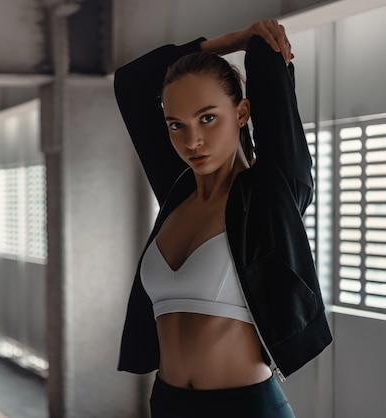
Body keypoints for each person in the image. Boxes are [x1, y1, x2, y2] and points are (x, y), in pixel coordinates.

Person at [113, 19, 333, 417]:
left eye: (208, 118)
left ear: (243, 112)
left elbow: (270, 70)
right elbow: (131, 81)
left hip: (245, 407)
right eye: (176, 125)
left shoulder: (270, 197)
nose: (192, 141)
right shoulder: (177, 191)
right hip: (167, 403)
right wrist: (223, 42)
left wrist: (252, 42)